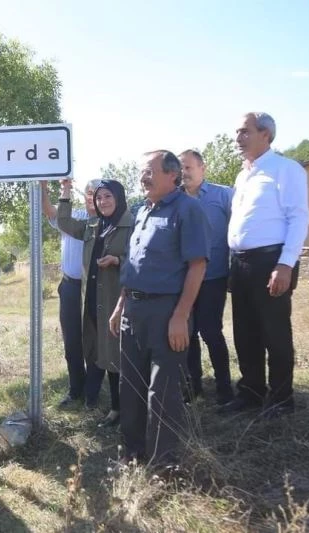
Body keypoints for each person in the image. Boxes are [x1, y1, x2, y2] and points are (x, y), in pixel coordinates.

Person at [110, 150, 210, 466]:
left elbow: (197, 266)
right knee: (131, 386)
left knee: (163, 392)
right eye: (142, 172)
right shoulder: (140, 212)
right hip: (132, 310)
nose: (144, 177)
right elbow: (132, 266)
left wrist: (181, 316)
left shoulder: (187, 210)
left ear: (172, 175)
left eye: (150, 171)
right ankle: (132, 452)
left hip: (167, 312)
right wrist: (119, 305)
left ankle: (162, 463)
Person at [219, 112, 309, 419]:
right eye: (237, 132)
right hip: (241, 264)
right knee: (245, 332)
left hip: (271, 261)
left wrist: (285, 265)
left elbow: (298, 218)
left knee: (275, 333)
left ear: (266, 135)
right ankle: (252, 392)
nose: (238, 138)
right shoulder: (243, 175)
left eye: (245, 131)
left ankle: (282, 399)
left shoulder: (286, 169)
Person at [58, 179, 134, 428]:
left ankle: (123, 408)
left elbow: (141, 260)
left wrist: (118, 260)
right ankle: (114, 406)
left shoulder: (131, 225)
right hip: (93, 300)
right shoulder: (93, 225)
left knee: (117, 353)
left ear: (119, 198)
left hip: (117, 300)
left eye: (108, 197)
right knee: (103, 351)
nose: (103, 202)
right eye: (99, 198)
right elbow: (64, 222)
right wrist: (65, 193)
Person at [178, 150, 235, 405]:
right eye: (180, 169)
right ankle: (193, 389)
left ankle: (224, 390)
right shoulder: (174, 200)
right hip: (183, 279)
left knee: (211, 331)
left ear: (203, 168)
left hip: (214, 276)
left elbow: (237, 234)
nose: (184, 173)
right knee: (187, 334)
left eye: (188, 167)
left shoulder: (224, 195)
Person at [40, 180, 93, 408]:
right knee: (72, 341)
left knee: (94, 341)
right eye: (89, 193)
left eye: (98, 194)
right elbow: (50, 211)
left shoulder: (107, 221)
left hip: (95, 289)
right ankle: (76, 390)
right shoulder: (73, 216)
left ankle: (94, 391)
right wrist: (45, 187)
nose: (93, 198)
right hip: (70, 287)